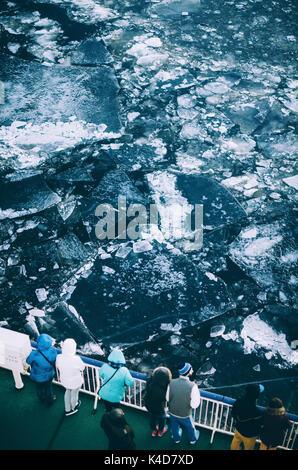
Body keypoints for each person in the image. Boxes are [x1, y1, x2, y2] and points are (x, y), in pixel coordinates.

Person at [166, 362, 200, 445]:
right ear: (188, 372)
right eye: (191, 368)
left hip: (172, 412)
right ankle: (192, 440)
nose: (192, 370)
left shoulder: (171, 382)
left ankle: (176, 439)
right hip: (185, 414)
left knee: (174, 426)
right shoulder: (193, 386)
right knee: (190, 427)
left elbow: (167, 398)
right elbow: (194, 405)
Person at [56, 338, 86, 416]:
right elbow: (82, 368)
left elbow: (57, 365)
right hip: (75, 382)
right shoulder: (76, 359)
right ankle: (73, 407)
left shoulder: (59, 357)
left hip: (65, 380)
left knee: (67, 391)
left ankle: (67, 409)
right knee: (74, 395)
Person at [26, 333, 58, 405]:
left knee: (39, 388)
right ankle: (50, 400)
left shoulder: (34, 354)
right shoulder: (53, 352)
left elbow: (28, 361)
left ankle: (41, 399)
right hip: (49, 375)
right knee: (48, 388)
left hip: (37, 377)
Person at [230, 383, 264, 450]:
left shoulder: (238, 402)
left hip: (238, 429)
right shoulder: (257, 412)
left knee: (235, 443)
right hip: (249, 435)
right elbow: (260, 424)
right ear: (256, 396)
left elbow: (233, 413)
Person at [144, 366, 172, 437]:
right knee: (162, 418)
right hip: (158, 407)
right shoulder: (165, 389)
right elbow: (166, 399)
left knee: (152, 417)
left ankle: (153, 430)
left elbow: (149, 371)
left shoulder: (150, 382)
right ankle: (160, 431)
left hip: (148, 404)